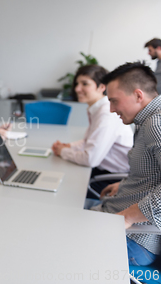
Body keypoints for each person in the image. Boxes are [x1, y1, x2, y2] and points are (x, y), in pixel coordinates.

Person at [87, 62, 161, 266]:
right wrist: (125, 183)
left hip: (135, 239)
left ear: (138, 95)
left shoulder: (156, 123)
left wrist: (128, 217)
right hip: (119, 215)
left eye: (114, 101)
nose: (111, 109)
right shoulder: (146, 120)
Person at [52, 65, 133, 195]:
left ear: (102, 87)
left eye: (85, 84)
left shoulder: (107, 114)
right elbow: (89, 141)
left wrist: (63, 151)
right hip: (102, 169)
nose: (77, 89)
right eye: (77, 84)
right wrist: (69, 146)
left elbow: (90, 159)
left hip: (113, 178)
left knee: (62, 189)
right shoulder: (97, 109)